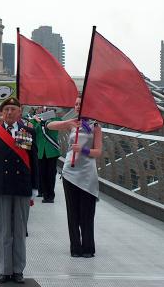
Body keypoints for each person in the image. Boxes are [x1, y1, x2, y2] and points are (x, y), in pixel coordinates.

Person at [0, 97, 38, 284]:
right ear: (1, 112)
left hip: (22, 185)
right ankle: (5, 270)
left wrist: (35, 186)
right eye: (6, 109)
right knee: (3, 230)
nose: (9, 112)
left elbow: (33, 161)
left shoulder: (29, 131)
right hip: (1, 185)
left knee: (20, 229)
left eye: (13, 109)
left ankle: (18, 270)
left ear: (19, 112)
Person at [47, 96, 102, 258]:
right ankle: (75, 248)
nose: (77, 106)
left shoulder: (95, 126)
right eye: (76, 104)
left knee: (87, 211)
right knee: (73, 212)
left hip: (87, 173)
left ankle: (88, 247)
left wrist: (83, 150)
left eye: (80, 104)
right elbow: (49, 125)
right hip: (70, 172)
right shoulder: (72, 124)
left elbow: (98, 152)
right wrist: (68, 123)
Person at [31, 107, 62, 203]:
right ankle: (44, 193)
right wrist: (36, 121)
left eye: (52, 110)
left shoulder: (57, 120)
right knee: (42, 173)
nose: (49, 111)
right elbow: (34, 131)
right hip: (40, 151)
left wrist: (40, 121)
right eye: (47, 109)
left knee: (51, 174)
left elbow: (50, 127)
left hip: (51, 151)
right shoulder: (37, 121)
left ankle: (50, 196)